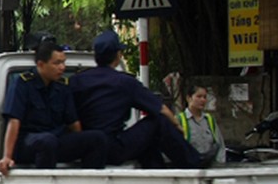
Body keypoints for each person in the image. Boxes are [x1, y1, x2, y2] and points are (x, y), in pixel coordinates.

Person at [70, 30, 202, 168]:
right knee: (158, 122)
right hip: (113, 149)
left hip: (87, 149)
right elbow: (160, 109)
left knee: (146, 139)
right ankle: (193, 161)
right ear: (118, 55)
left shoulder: (77, 81)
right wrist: (177, 126)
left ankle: (155, 168)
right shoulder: (124, 82)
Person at [0, 40, 108, 176]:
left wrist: (79, 145)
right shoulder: (22, 84)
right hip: (28, 143)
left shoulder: (62, 86)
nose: (62, 68)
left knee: (97, 138)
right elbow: (14, 121)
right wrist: (7, 156)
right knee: (47, 141)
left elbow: (73, 123)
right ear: (41, 64)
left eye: (63, 62)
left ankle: (91, 183)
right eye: (57, 63)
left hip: (55, 140)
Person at [179, 85, 225, 165]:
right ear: (189, 98)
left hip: (210, 169)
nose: (202, 100)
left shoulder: (209, 120)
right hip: (189, 170)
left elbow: (220, 146)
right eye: (199, 96)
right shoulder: (179, 120)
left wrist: (219, 166)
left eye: (204, 97)